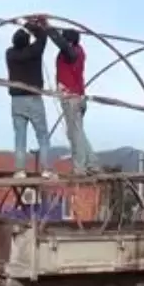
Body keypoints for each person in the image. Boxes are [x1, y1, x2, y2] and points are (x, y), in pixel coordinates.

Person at [4, 16, 55, 179]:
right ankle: (46, 170)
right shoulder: (34, 51)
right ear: (28, 41)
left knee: (20, 136)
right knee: (42, 136)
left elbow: (38, 38)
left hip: (17, 101)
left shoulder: (10, 54)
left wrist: (24, 24)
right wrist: (29, 24)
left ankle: (20, 171)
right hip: (33, 98)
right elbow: (42, 36)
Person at [44, 27, 99, 175]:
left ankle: (79, 168)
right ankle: (92, 163)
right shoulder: (79, 51)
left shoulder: (72, 53)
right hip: (77, 97)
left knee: (75, 133)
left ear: (69, 41)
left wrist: (47, 28)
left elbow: (62, 44)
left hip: (72, 98)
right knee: (77, 132)